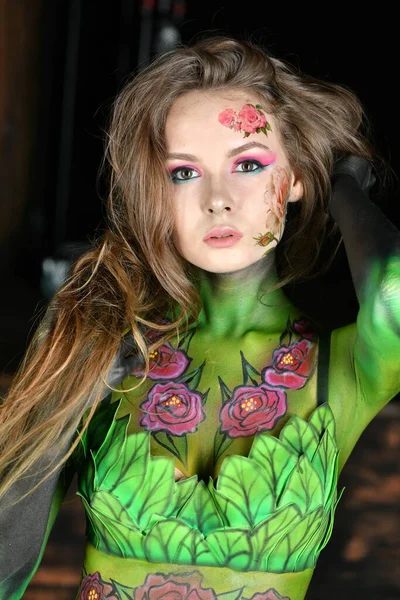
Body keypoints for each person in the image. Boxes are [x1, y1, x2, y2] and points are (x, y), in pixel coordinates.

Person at [0, 35, 399, 600]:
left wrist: (343, 185)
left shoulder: (340, 370)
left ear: (295, 179)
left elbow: (393, 291)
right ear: (154, 192)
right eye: (183, 173)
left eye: (250, 164)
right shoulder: (105, 343)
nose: (217, 199)